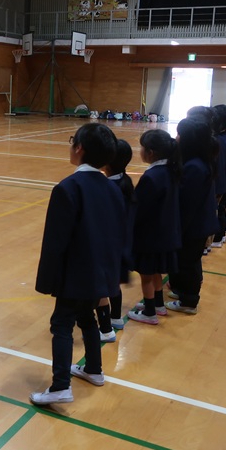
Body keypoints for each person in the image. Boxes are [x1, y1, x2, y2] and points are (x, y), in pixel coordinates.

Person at [30, 123, 125, 406]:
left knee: (61, 323)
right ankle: (94, 369)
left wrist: (48, 280)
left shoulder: (68, 187)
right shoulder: (112, 188)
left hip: (74, 273)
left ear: (79, 148)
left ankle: (61, 385)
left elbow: (55, 240)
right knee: (87, 318)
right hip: (100, 271)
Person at [127, 130, 182, 325]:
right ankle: (158, 304)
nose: (140, 151)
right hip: (164, 232)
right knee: (156, 270)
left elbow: (140, 208)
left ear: (150, 152)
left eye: (142, 147)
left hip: (150, 235)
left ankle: (149, 311)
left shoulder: (152, 176)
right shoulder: (171, 170)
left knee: (146, 274)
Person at [166, 119, 218, 314]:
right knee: (185, 260)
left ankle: (189, 301)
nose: (177, 138)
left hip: (194, 225)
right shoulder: (197, 161)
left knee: (188, 262)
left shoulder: (195, 167)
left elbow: (188, 203)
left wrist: (178, 227)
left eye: (180, 134)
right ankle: (182, 292)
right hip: (195, 223)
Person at [95, 139, 135, 342]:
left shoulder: (108, 187)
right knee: (113, 283)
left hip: (108, 244)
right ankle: (116, 317)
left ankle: (105, 329)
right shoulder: (125, 181)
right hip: (121, 243)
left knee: (101, 287)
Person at [210, 105, 226, 249]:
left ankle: (217, 237)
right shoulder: (225, 137)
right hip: (225, 180)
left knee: (217, 209)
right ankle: (221, 234)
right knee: (221, 208)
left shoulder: (219, 140)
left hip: (219, 182)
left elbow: (218, 165)